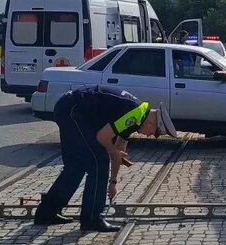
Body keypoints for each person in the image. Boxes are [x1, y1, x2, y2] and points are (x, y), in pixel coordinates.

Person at [34, 86, 178, 232]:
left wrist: (113, 183)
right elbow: (102, 138)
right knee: (98, 162)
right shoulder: (133, 115)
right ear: (151, 123)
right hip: (71, 109)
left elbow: (119, 151)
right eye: (155, 133)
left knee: (76, 166)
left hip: (70, 109)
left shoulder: (137, 117)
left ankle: (46, 213)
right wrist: (113, 151)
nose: (149, 135)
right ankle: (92, 219)